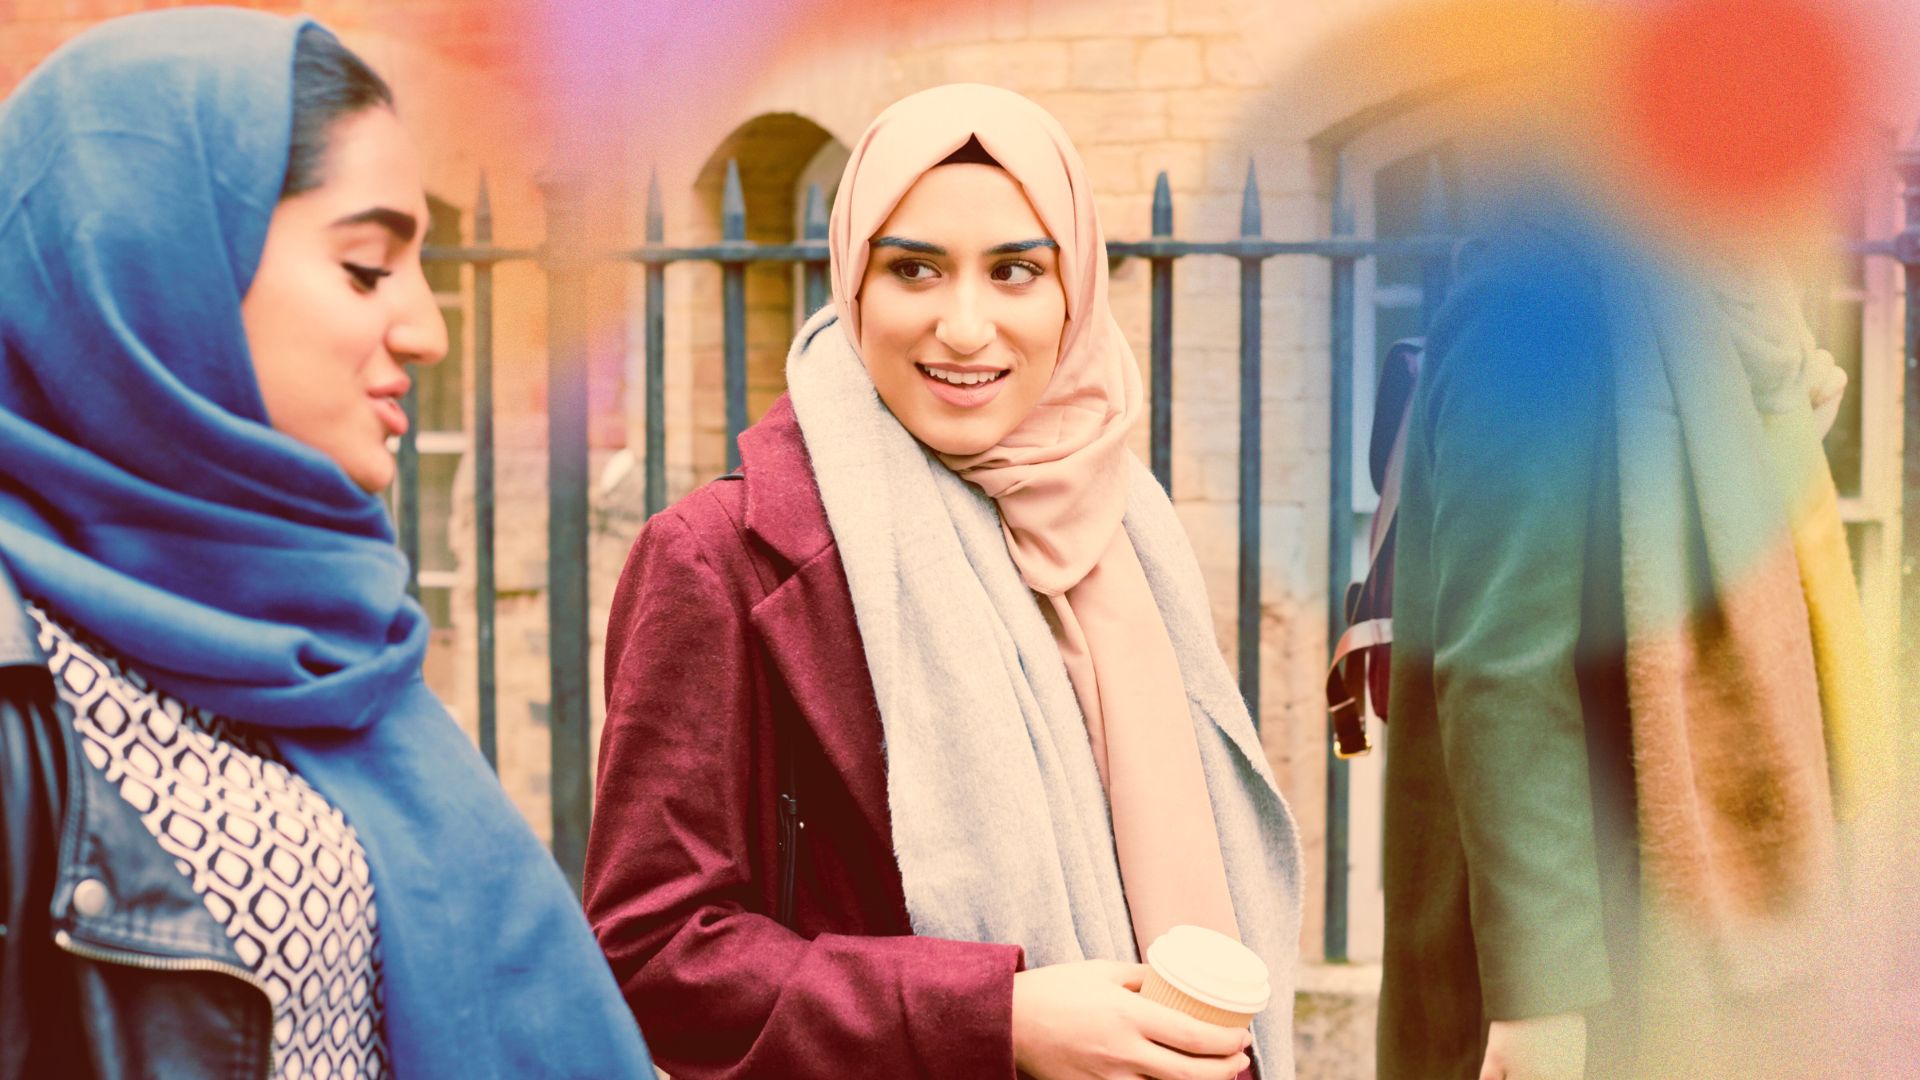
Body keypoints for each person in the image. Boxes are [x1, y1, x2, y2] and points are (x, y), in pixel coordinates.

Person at [584, 84, 1302, 1080]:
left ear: (1075, 290)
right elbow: (653, 956)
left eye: (1015, 270)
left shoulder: (1125, 525)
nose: (966, 329)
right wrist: (994, 1020)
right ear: (854, 284)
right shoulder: (721, 557)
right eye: (914, 268)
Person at [0, 10, 654, 1078]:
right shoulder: (22, 673)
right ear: (150, 265)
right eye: (365, 267)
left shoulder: (338, 636)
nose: (428, 329)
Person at [1375, 176, 1886, 1080]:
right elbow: (1503, 666)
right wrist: (1540, 1001)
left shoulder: (1740, 306)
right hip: (1597, 947)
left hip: (1710, 919)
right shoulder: (1529, 301)